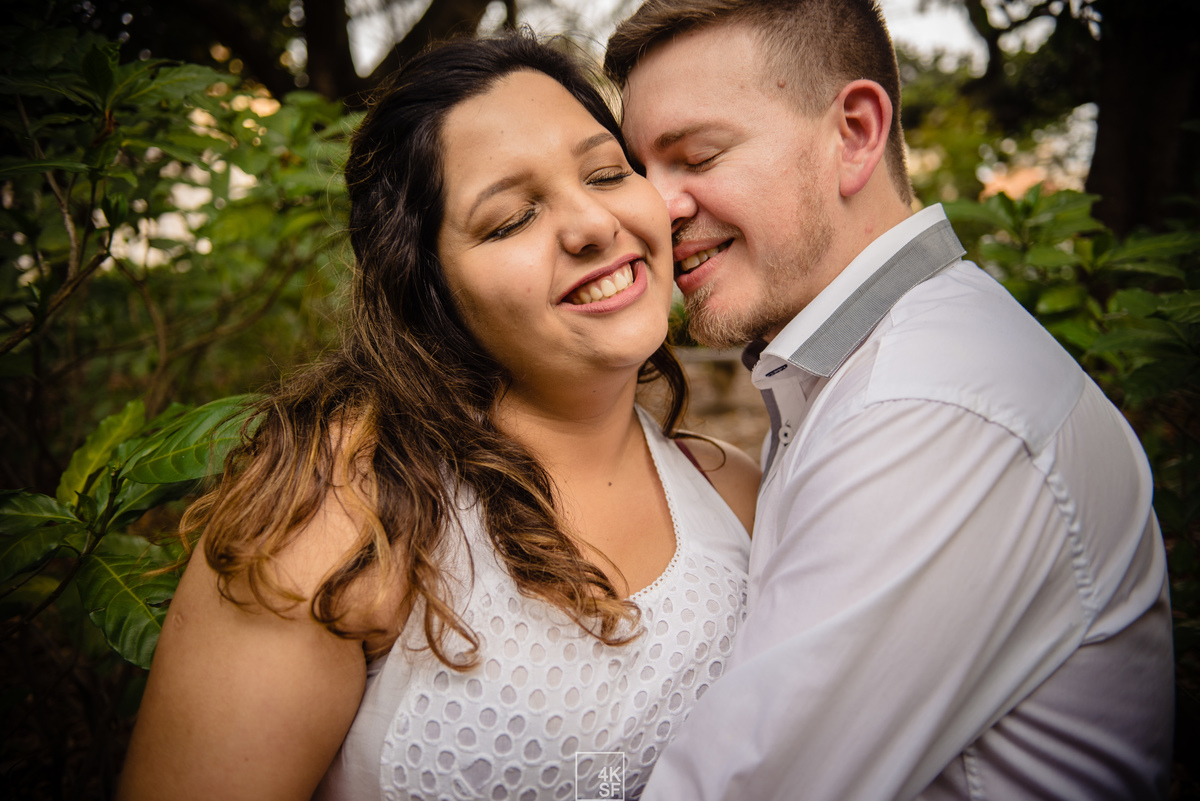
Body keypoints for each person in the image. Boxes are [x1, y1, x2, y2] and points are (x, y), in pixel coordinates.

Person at [117, 32, 760, 801]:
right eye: (510, 219)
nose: (590, 223)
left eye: (605, 172)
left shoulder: (735, 493)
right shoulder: (342, 516)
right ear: (430, 287)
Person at [604, 1, 1174, 799]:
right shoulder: (859, 370)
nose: (654, 211)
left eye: (696, 155)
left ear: (857, 133)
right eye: (639, 172)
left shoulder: (927, 410)